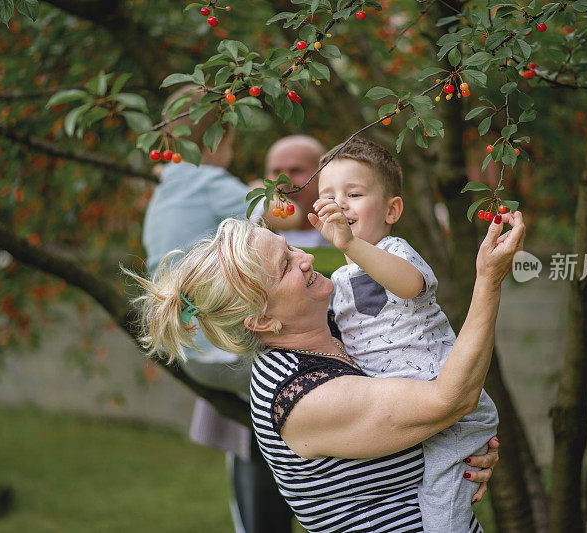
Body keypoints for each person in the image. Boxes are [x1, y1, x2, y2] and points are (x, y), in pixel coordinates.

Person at [127, 208, 524, 531]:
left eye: (290, 248)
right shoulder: (297, 396)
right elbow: (451, 398)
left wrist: (459, 455)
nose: (307, 258)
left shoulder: (340, 325)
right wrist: (488, 281)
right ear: (263, 322)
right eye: (286, 266)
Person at [310, 139, 498, 532]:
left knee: (442, 514)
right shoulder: (338, 281)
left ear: (392, 209)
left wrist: (349, 243)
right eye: (328, 197)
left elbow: (409, 285)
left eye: (354, 193)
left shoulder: (397, 251)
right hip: (417, 410)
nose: (340, 204)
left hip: (453, 404)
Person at [141, 85, 293, 533]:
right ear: (216, 143)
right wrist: (259, 192)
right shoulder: (210, 182)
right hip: (226, 350)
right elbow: (277, 214)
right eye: (230, 143)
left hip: (189, 348)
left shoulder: (165, 191)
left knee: (260, 428)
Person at [252, 135, 330, 247]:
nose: (284, 182)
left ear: (322, 174)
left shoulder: (350, 232)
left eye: (296, 170)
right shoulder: (252, 238)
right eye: (276, 171)